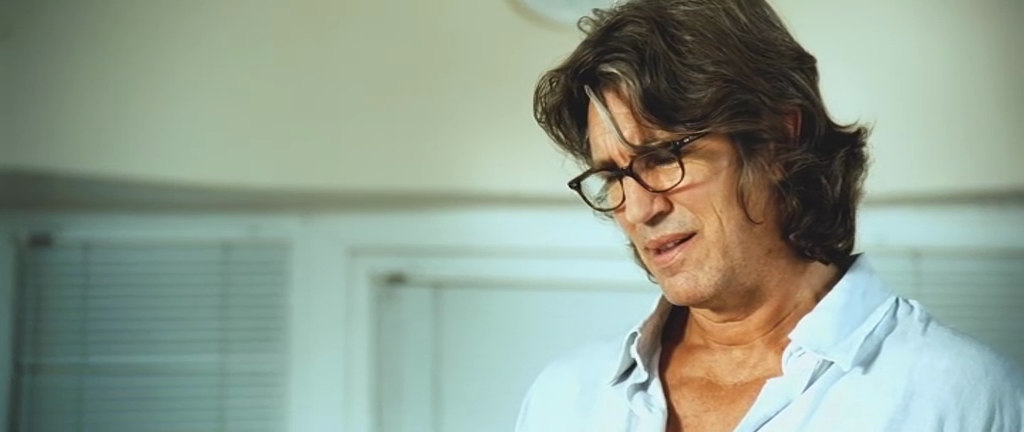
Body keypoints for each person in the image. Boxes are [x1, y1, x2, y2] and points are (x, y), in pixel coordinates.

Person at [514, 0, 1024, 431]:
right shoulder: (566, 400)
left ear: (779, 139)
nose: (639, 209)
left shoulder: (960, 397)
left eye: (664, 157)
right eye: (612, 176)